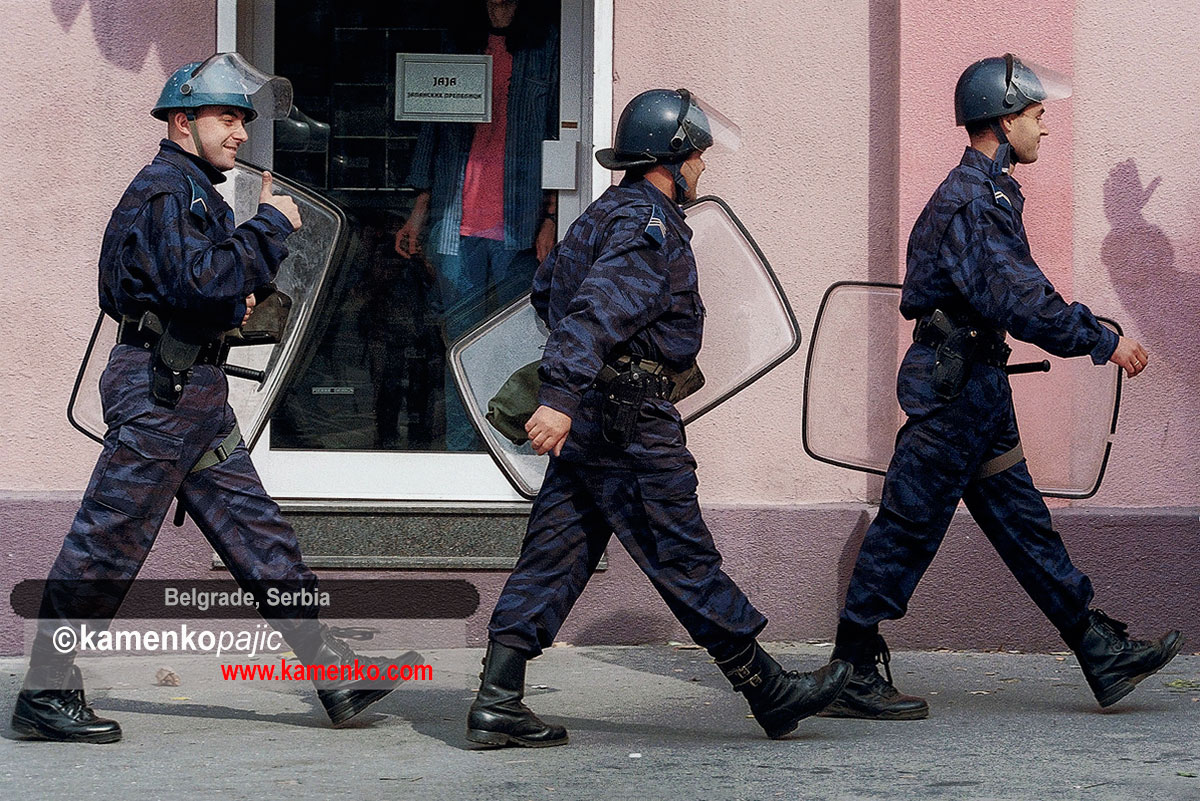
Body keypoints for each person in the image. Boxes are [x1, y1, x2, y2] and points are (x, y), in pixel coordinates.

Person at [10, 54, 402, 744]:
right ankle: (45, 689)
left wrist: (236, 289)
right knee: (108, 540)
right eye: (229, 117)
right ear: (182, 120)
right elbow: (203, 281)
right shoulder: (170, 190)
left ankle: (334, 671)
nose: (242, 133)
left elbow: (208, 287)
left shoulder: (194, 192)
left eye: (245, 119)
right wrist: (271, 226)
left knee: (260, 536)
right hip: (162, 392)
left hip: (193, 392)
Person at [465, 88, 852, 748]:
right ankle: (767, 689)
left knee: (556, 552)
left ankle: (498, 698)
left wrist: (571, 396)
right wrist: (559, 397)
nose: (704, 163)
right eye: (697, 151)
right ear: (672, 156)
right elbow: (593, 312)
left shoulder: (604, 213)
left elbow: (547, 292)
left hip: (595, 417)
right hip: (629, 421)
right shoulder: (649, 226)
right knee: (680, 550)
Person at [820, 54, 1182, 721]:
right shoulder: (971, 203)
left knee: (1024, 526)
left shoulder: (992, 195)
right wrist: (1100, 339)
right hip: (952, 392)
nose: (1046, 130)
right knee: (909, 523)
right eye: (1038, 116)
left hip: (977, 386)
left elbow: (1023, 288)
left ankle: (1096, 647)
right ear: (1004, 116)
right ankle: (852, 665)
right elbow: (1020, 300)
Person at [394, 0, 559, 450]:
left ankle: (507, 451)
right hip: (454, 225)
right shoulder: (458, 40)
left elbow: (561, 136)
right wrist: (419, 211)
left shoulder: (547, 45)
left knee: (513, 346)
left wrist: (550, 217)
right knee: (460, 348)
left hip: (519, 226)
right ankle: (462, 453)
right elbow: (433, 127)